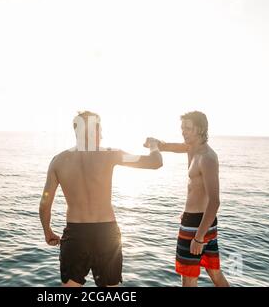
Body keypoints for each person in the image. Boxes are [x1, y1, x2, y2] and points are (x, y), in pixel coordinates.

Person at [39, 111, 162, 287]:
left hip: (75, 236)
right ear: (93, 131)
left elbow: (44, 204)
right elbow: (155, 162)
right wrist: (154, 145)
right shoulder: (111, 154)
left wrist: (47, 231)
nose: (102, 136)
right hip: (106, 234)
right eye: (100, 130)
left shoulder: (58, 161)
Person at [147, 111, 229, 287]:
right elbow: (169, 146)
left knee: (188, 278)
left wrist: (199, 237)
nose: (183, 132)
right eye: (182, 127)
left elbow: (215, 201)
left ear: (199, 129)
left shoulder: (207, 158)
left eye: (187, 128)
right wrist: (155, 143)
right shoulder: (191, 148)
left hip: (197, 226)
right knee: (214, 272)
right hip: (200, 222)